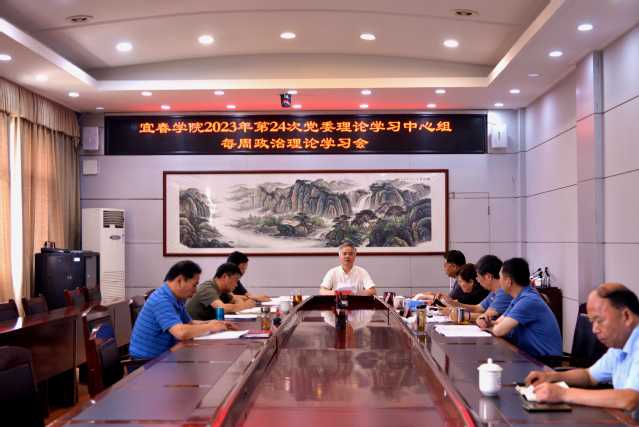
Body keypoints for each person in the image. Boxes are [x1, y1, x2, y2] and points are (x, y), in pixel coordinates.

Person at [524, 283, 639, 413]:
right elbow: (589, 376)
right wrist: (552, 377)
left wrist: (564, 393)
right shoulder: (619, 346)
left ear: (626, 316)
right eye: (592, 322)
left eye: (599, 321)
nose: (594, 330)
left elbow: (630, 399)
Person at [129, 260, 237, 359]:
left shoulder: (176, 298)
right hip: (146, 364)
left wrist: (215, 323)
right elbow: (181, 332)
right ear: (180, 280)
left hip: (165, 355)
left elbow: (189, 323)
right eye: (194, 285)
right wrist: (210, 327)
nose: (195, 291)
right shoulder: (161, 300)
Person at [478, 257, 562, 358]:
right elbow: (499, 322)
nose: (499, 281)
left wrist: (487, 327)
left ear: (508, 281)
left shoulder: (528, 300)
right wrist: (485, 320)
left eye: (500, 278)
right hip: (529, 355)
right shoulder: (519, 297)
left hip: (545, 361)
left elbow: (499, 330)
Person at [445, 255, 512, 322]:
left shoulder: (504, 292)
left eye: (478, 277)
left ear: (489, 277)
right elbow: (477, 308)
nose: (477, 280)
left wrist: (462, 315)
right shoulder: (494, 292)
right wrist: (454, 304)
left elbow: (487, 316)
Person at [186, 262, 256, 320]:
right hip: (195, 328)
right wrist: (245, 305)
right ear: (225, 277)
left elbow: (236, 299)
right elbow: (222, 308)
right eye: (236, 280)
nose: (236, 285)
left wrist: (241, 303)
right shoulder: (207, 288)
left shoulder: (221, 290)